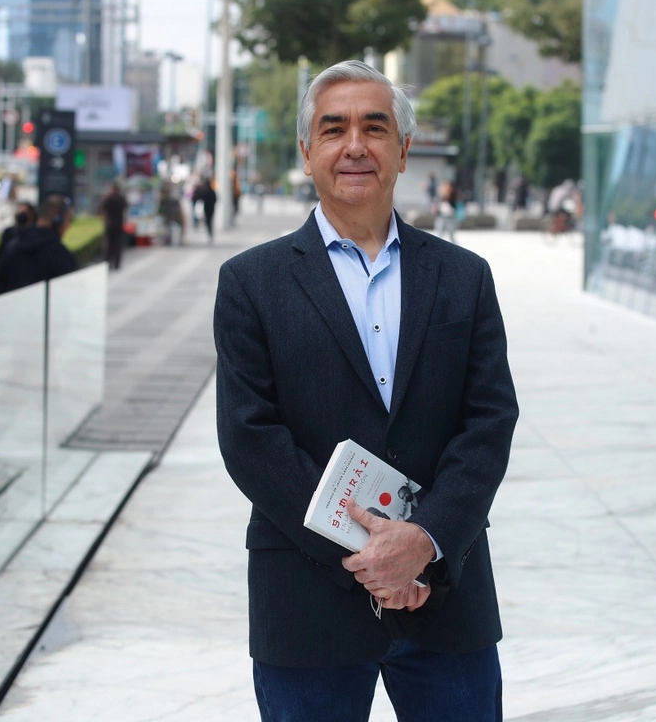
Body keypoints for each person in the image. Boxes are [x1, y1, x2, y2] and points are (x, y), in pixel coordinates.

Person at [214, 59, 519, 722]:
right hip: (305, 593)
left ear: (403, 150)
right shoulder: (250, 283)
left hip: (445, 592)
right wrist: (372, 556)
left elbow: (489, 422)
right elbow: (249, 438)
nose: (354, 144)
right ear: (306, 152)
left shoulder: (464, 277)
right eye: (333, 129)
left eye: (374, 127)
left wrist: (423, 542)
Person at [0, 194, 77, 295]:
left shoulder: (13, 245)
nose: (68, 225)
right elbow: (73, 295)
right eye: (68, 220)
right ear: (58, 220)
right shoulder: (60, 254)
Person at [0, 201, 37, 292]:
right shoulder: (9, 232)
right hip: (9, 276)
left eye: (24, 212)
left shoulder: (37, 232)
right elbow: (0, 255)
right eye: (19, 211)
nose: (21, 214)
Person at [99, 181, 129, 270]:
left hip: (109, 224)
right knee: (117, 245)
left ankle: (106, 262)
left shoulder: (107, 198)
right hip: (118, 224)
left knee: (108, 244)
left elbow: (102, 210)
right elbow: (125, 209)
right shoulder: (121, 198)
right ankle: (116, 263)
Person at [190, 178, 217, 243]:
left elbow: (197, 197)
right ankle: (209, 234)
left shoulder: (206, 191)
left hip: (207, 208)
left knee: (208, 222)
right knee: (209, 222)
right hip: (210, 208)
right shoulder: (211, 191)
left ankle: (209, 234)